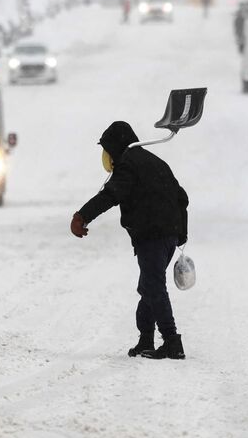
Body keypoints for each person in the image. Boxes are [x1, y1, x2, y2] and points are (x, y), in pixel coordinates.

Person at [71, 121, 190, 360]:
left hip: (152, 235)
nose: (106, 157)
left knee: (154, 287)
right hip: (167, 235)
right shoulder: (155, 162)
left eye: (107, 150)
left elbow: (111, 194)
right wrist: (180, 233)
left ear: (115, 147)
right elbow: (181, 197)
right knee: (148, 286)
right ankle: (146, 340)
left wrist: (82, 216)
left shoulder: (128, 165)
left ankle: (172, 342)